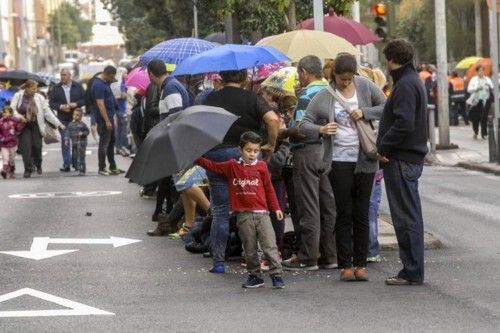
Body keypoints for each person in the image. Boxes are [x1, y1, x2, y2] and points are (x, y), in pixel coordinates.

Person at [299, 53, 385, 281]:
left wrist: (365, 112)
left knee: (362, 213)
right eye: (341, 79)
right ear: (333, 74)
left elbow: (387, 106)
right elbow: (304, 123)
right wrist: (321, 130)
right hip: (338, 160)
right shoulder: (324, 95)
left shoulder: (365, 87)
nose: (346, 83)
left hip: (365, 159)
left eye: (349, 79)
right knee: (343, 213)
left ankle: (361, 264)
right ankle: (345, 265)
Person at [203, 69, 279, 274]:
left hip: (217, 153)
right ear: (245, 78)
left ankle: (219, 261)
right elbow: (273, 120)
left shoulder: (210, 98)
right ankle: (251, 257)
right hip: (245, 156)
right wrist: (270, 145)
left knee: (220, 210)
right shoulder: (253, 98)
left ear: (221, 77)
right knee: (252, 207)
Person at [196, 131, 285, 289]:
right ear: (240, 150)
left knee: (269, 245)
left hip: (262, 214)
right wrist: (197, 159)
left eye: (256, 151)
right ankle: (255, 275)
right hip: (243, 215)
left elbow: (269, 189)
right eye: (248, 150)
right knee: (249, 248)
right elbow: (213, 167)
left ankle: (276, 274)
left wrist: (276, 207)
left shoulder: (262, 166)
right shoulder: (232, 166)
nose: (252, 154)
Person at [377, 39, 428, 286]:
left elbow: (404, 122)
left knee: (405, 217)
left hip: (401, 158)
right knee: (410, 215)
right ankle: (413, 268)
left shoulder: (405, 84)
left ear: (391, 60)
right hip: (408, 157)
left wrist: (383, 145)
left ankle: (412, 270)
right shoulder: (411, 80)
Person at [281, 55, 336, 271]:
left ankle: (308, 257)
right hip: (329, 152)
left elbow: (301, 129)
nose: (299, 78)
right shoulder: (332, 91)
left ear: (305, 72)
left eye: (298, 74)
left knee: (309, 206)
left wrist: (284, 131)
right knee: (328, 205)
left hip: (308, 152)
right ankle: (331, 256)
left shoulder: (307, 95)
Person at [11, 80, 64, 178]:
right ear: (27, 88)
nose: (35, 91)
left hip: (36, 125)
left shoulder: (40, 98)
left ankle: (38, 163)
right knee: (26, 149)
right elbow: (12, 109)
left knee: (37, 147)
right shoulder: (18, 96)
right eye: (33, 89)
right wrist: (19, 117)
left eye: (36, 89)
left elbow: (47, 112)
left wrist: (58, 123)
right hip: (23, 126)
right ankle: (28, 169)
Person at [48, 68, 85, 172]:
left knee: (75, 141)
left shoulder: (77, 86)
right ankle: (67, 164)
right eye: (61, 75)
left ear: (70, 76)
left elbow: (85, 99)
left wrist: (76, 104)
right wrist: (60, 106)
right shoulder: (56, 88)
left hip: (76, 119)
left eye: (64, 75)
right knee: (65, 141)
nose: (62, 77)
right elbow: (51, 103)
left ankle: (76, 163)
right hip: (63, 119)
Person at [91, 65, 123, 176]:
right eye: (112, 77)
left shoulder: (105, 83)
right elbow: (100, 104)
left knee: (111, 142)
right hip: (104, 119)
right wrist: (107, 120)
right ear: (109, 74)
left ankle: (112, 166)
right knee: (104, 143)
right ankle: (102, 167)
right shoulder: (98, 85)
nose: (112, 79)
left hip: (109, 116)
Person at [467, 64, 493, 140]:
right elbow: (469, 89)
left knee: (484, 117)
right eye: (479, 71)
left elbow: (492, 87)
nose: (481, 72)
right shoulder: (473, 79)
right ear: (477, 72)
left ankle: (484, 133)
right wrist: (476, 88)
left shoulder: (487, 79)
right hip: (476, 100)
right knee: (476, 117)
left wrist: (489, 87)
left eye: (482, 70)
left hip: (486, 100)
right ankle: (476, 131)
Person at [0, 106, 25, 178]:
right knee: (5, 158)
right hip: (4, 144)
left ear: (11, 113)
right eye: (3, 112)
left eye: (6, 112)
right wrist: (2, 139)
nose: (4, 114)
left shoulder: (14, 121)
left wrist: (23, 123)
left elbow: (18, 129)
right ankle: (4, 171)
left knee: (11, 159)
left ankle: (12, 170)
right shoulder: (0, 122)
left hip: (13, 143)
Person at [67, 108, 89, 176]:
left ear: (81, 116)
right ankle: (77, 167)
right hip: (74, 143)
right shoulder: (70, 124)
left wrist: (83, 133)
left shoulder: (82, 124)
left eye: (77, 115)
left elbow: (87, 131)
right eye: (74, 114)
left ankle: (82, 169)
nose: (75, 116)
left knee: (81, 156)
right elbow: (68, 132)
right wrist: (66, 139)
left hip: (82, 143)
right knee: (75, 156)